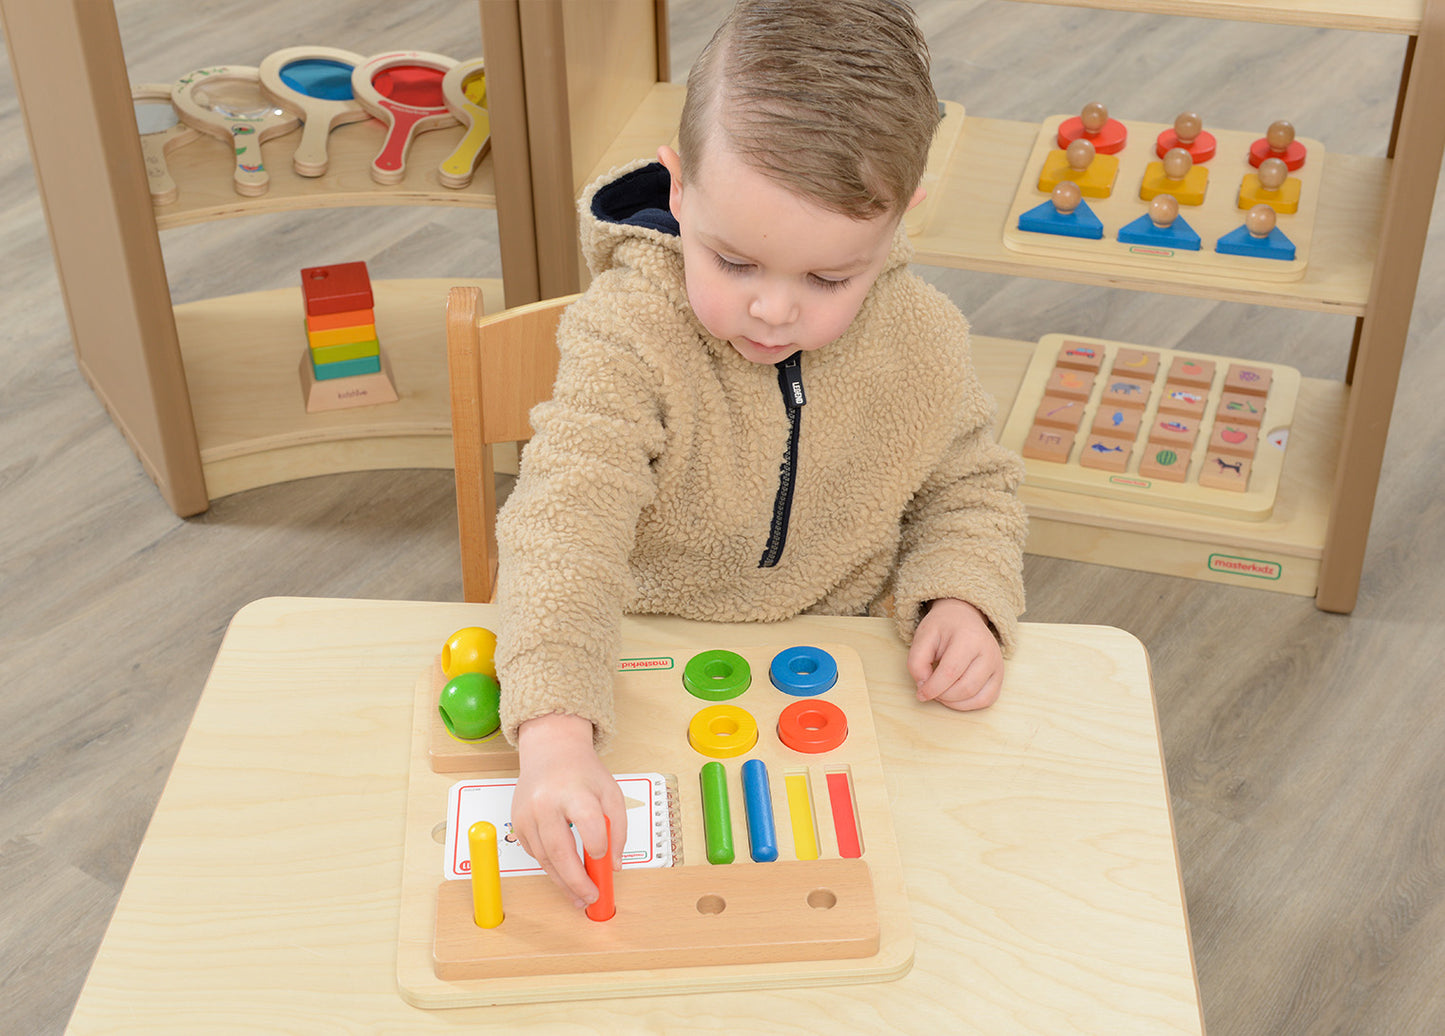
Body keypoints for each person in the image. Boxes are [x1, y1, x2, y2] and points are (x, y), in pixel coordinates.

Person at [494, 0, 1027, 910]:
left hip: (840, 680)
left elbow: (969, 487)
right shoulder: (629, 331)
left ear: (898, 225)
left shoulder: (923, 338)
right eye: (732, 261)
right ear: (676, 189)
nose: (773, 312)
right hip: (634, 672)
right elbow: (563, 520)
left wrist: (962, 596)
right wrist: (553, 731)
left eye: (827, 279)